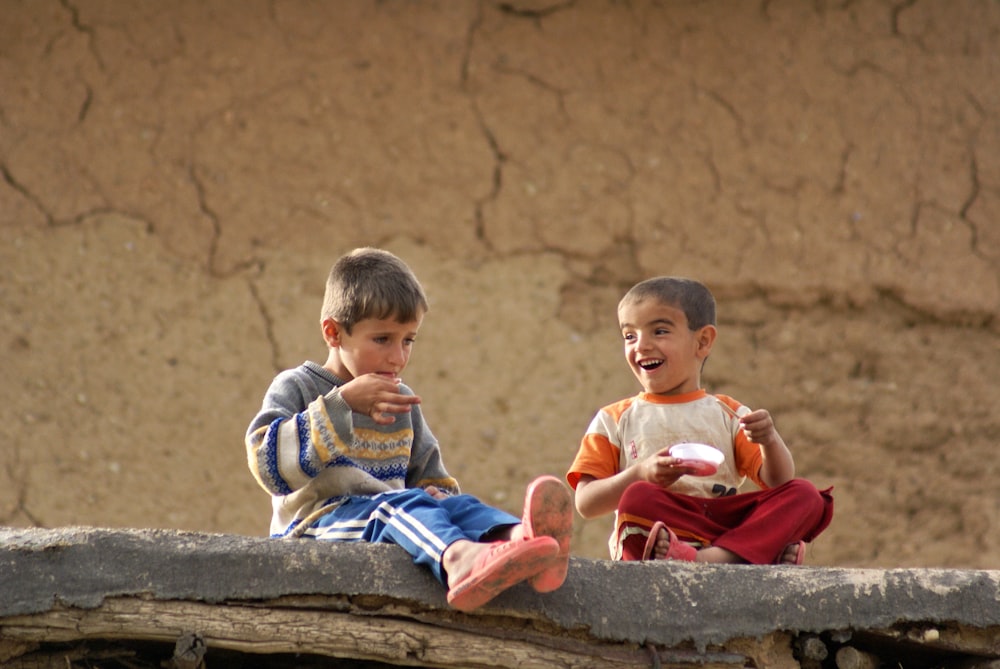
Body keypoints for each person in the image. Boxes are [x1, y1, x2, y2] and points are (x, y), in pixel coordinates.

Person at [246, 247, 573, 611]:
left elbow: (429, 477)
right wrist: (344, 404)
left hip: (391, 515)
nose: (398, 357)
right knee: (397, 507)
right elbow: (267, 467)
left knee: (456, 504)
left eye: (408, 341)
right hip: (317, 526)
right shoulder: (297, 386)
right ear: (334, 333)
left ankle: (525, 542)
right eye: (383, 339)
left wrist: (437, 495)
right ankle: (459, 560)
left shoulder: (401, 399)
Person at [566, 276, 833, 564]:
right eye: (630, 336)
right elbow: (586, 503)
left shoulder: (728, 412)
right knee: (638, 497)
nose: (640, 346)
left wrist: (769, 439)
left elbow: (778, 480)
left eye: (659, 331)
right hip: (660, 533)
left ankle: (712, 558)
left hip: (723, 527)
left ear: (702, 341)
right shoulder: (614, 419)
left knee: (805, 495)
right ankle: (750, 556)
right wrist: (640, 474)